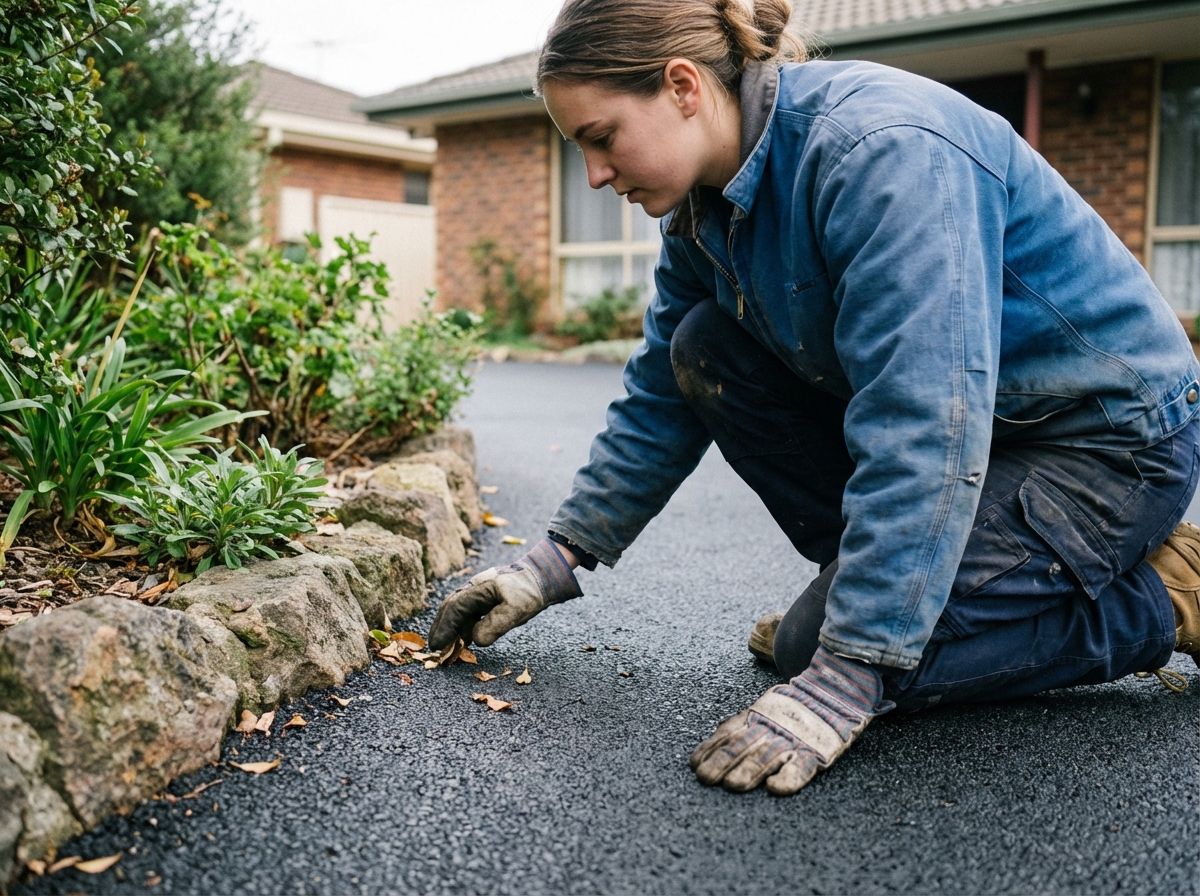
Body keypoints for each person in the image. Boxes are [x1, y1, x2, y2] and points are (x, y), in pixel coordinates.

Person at [429, 0, 1200, 795]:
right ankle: (916, 593)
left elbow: (921, 424)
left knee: (827, 652)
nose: (595, 173)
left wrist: (845, 668)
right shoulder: (702, 211)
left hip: (1106, 447)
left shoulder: (880, 154)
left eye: (602, 137)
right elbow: (661, 389)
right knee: (704, 345)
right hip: (987, 435)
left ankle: (1165, 599)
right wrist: (553, 561)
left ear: (683, 86)